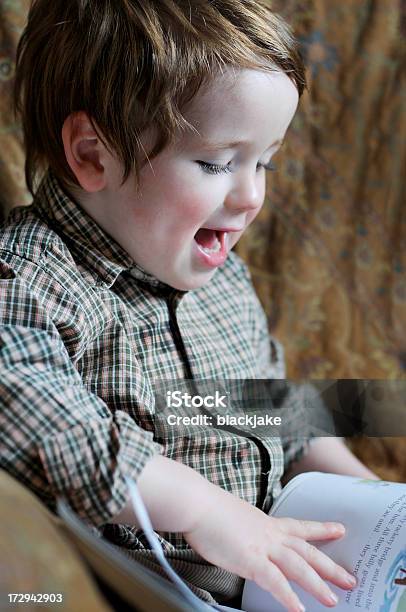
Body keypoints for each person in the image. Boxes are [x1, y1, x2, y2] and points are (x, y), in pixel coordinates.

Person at [0, 1, 377, 611]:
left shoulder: (225, 283)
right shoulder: (27, 282)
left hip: (281, 578)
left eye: (266, 161)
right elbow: (42, 422)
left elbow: (278, 412)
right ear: (93, 155)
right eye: (216, 163)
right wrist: (203, 510)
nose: (252, 194)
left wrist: (373, 495)